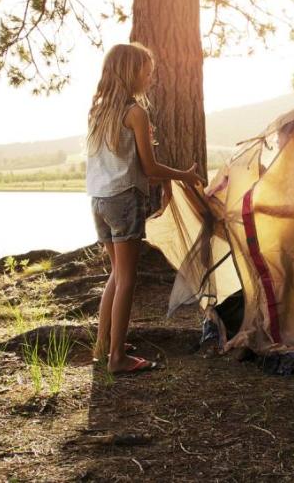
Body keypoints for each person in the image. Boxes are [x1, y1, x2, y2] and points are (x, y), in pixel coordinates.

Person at [86, 42, 203, 375]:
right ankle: (118, 358)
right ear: (131, 72)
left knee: (116, 274)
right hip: (124, 200)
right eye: (146, 72)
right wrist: (184, 175)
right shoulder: (135, 112)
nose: (150, 78)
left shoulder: (99, 110)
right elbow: (149, 168)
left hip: (99, 199)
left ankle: (103, 346)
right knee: (126, 279)